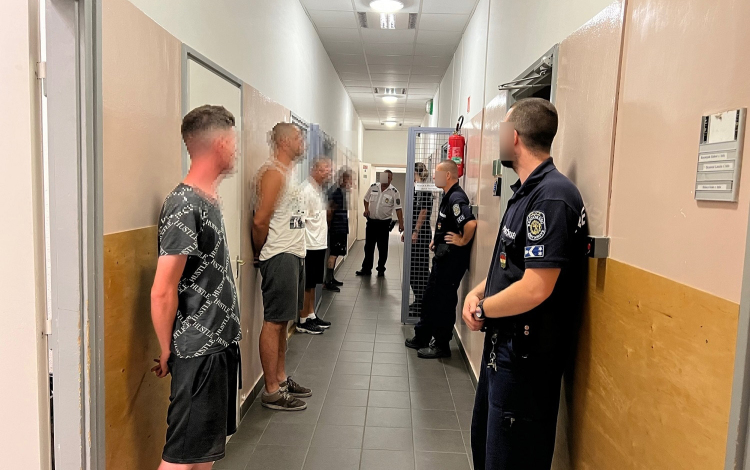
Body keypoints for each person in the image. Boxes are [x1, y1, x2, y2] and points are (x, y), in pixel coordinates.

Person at [462, 98, 588, 470]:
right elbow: (512, 266)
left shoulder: (551, 197)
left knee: (511, 458)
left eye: (502, 129)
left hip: (526, 361)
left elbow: (536, 287)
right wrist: (478, 292)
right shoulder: (526, 192)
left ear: (514, 136)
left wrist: (483, 309)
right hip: (503, 351)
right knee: (487, 446)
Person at [150, 105, 242, 469]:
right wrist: (166, 349)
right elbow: (162, 289)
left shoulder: (208, 200)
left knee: (204, 454)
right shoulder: (183, 205)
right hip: (198, 352)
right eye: (233, 142)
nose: (236, 150)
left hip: (220, 346)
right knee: (179, 460)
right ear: (219, 144)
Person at [252, 122, 312, 411]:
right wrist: (260, 250)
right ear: (285, 141)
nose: (303, 142)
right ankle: (271, 391)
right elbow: (259, 221)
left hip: (295, 253)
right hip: (280, 254)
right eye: (299, 137)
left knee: (284, 322)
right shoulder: (273, 173)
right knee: (274, 321)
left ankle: (281, 378)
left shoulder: (288, 174)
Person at [405, 160, 476, 359]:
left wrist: (462, 240)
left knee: (444, 302)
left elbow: (470, 224)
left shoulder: (456, 198)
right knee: (430, 298)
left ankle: (441, 345)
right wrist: (436, 241)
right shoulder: (447, 196)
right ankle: (423, 336)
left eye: (437, 173)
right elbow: (446, 224)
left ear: (448, 175)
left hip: (451, 261)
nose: (434, 177)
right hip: (442, 257)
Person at [297, 157, 334, 335]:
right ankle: (303, 320)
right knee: (307, 283)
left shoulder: (318, 190)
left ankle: (311, 314)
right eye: (326, 169)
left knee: (313, 283)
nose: (329, 173)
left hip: (319, 243)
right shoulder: (305, 190)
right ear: (315, 170)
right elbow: (300, 221)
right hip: (309, 245)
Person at [356, 169, 404, 277]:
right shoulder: (373, 187)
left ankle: (381, 268)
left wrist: (401, 224)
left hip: (384, 224)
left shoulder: (394, 192)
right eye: (384, 177)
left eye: (388, 177)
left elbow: (398, 209)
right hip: (371, 222)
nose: (385, 179)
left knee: (382, 248)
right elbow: (366, 199)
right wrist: (366, 209)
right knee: (368, 247)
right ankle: (366, 269)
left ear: (391, 179)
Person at [402, 162, 434, 315]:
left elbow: (423, 211)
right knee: (412, 268)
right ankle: (419, 299)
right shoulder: (415, 188)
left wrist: (415, 231)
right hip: (414, 231)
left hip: (421, 233)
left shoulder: (424, 189)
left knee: (419, 268)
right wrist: (407, 230)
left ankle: (423, 303)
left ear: (415, 172)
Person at [323, 168, 352, 291]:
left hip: (341, 227)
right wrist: (329, 226)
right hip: (336, 228)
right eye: (348, 180)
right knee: (333, 254)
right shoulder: (336, 192)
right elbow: (330, 211)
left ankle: (331, 277)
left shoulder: (342, 192)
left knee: (336, 253)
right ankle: (328, 282)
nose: (350, 182)